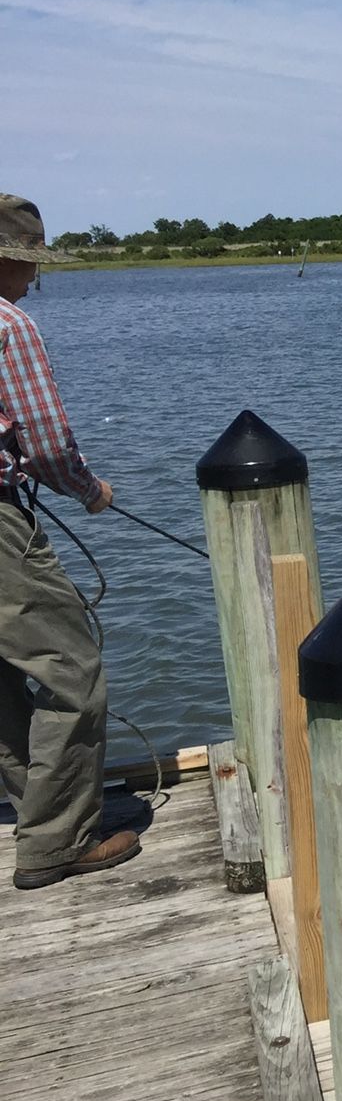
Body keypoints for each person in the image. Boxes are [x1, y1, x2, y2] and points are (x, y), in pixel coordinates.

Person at [0, 194, 139, 889]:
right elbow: (48, 442)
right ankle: (57, 844)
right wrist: (88, 490)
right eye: (28, 263)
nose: (33, 279)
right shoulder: (8, 324)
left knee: (1, 677)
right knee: (74, 671)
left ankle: (41, 812)